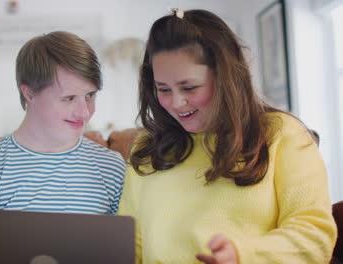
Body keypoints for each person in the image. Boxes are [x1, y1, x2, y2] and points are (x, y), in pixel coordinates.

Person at [117, 9, 337, 264]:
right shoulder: (146, 148)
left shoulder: (282, 134)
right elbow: (132, 243)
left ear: (226, 78)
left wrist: (243, 257)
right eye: (163, 89)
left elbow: (314, 236)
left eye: (189, 87)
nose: (176, 102)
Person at [0, 31, 126, 215]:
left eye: (90, 96)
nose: (84, 112)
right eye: (69, 98)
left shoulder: (112, 168)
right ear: (29, 93)